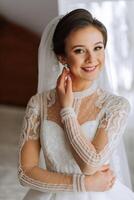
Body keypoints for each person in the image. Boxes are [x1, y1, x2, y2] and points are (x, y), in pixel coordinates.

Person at [18, 9, 134, 200]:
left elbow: (90, 165)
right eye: (79, 50)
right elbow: (25, 174)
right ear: (62, 57)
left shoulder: (116, 106)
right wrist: (83, 183)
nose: (91, 59)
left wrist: (67, 111)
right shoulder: (39, 103)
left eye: (98, 47)